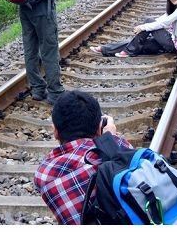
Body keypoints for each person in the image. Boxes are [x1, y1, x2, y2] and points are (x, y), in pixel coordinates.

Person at [34, 90, 132, 225]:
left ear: (55, 132)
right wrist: (109, 137)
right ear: (99, 128)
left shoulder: (44, 174)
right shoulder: (119, 145)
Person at [90, 0, 177, 58]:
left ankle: (129, 51)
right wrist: (143, 28)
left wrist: (143, 27)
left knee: (148, 21)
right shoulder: (175, 9)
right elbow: (160, 19)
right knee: (137, 43)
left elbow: (163, 23)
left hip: (175, 46)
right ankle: (104, 49)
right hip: (171, 42)